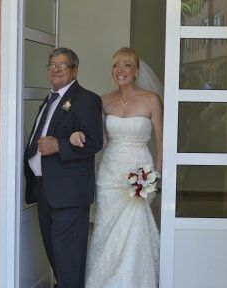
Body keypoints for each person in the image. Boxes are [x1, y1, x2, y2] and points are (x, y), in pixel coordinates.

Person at [70, 47, 163, 287]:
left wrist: (158, 176)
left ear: (136, 70)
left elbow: (163, 144)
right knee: (107, 227)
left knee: (135, 227)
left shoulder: (151, 100)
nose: (120, 70)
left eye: (126, 65)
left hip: (140, 171)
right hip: (110, 173)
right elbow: (98, 140)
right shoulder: (103, 101)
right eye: (115, 65)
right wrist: (77, 134)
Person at [24, 47, 103, 288]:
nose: (55, 70)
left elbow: (94, 141)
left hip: (69, 194)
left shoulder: (86, 99)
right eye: (52, 66)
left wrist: (58, 145)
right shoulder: (49, 100)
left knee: (69, 259)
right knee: (55, 256)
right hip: (44, 190)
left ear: (74, 70)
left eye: (62, 65)